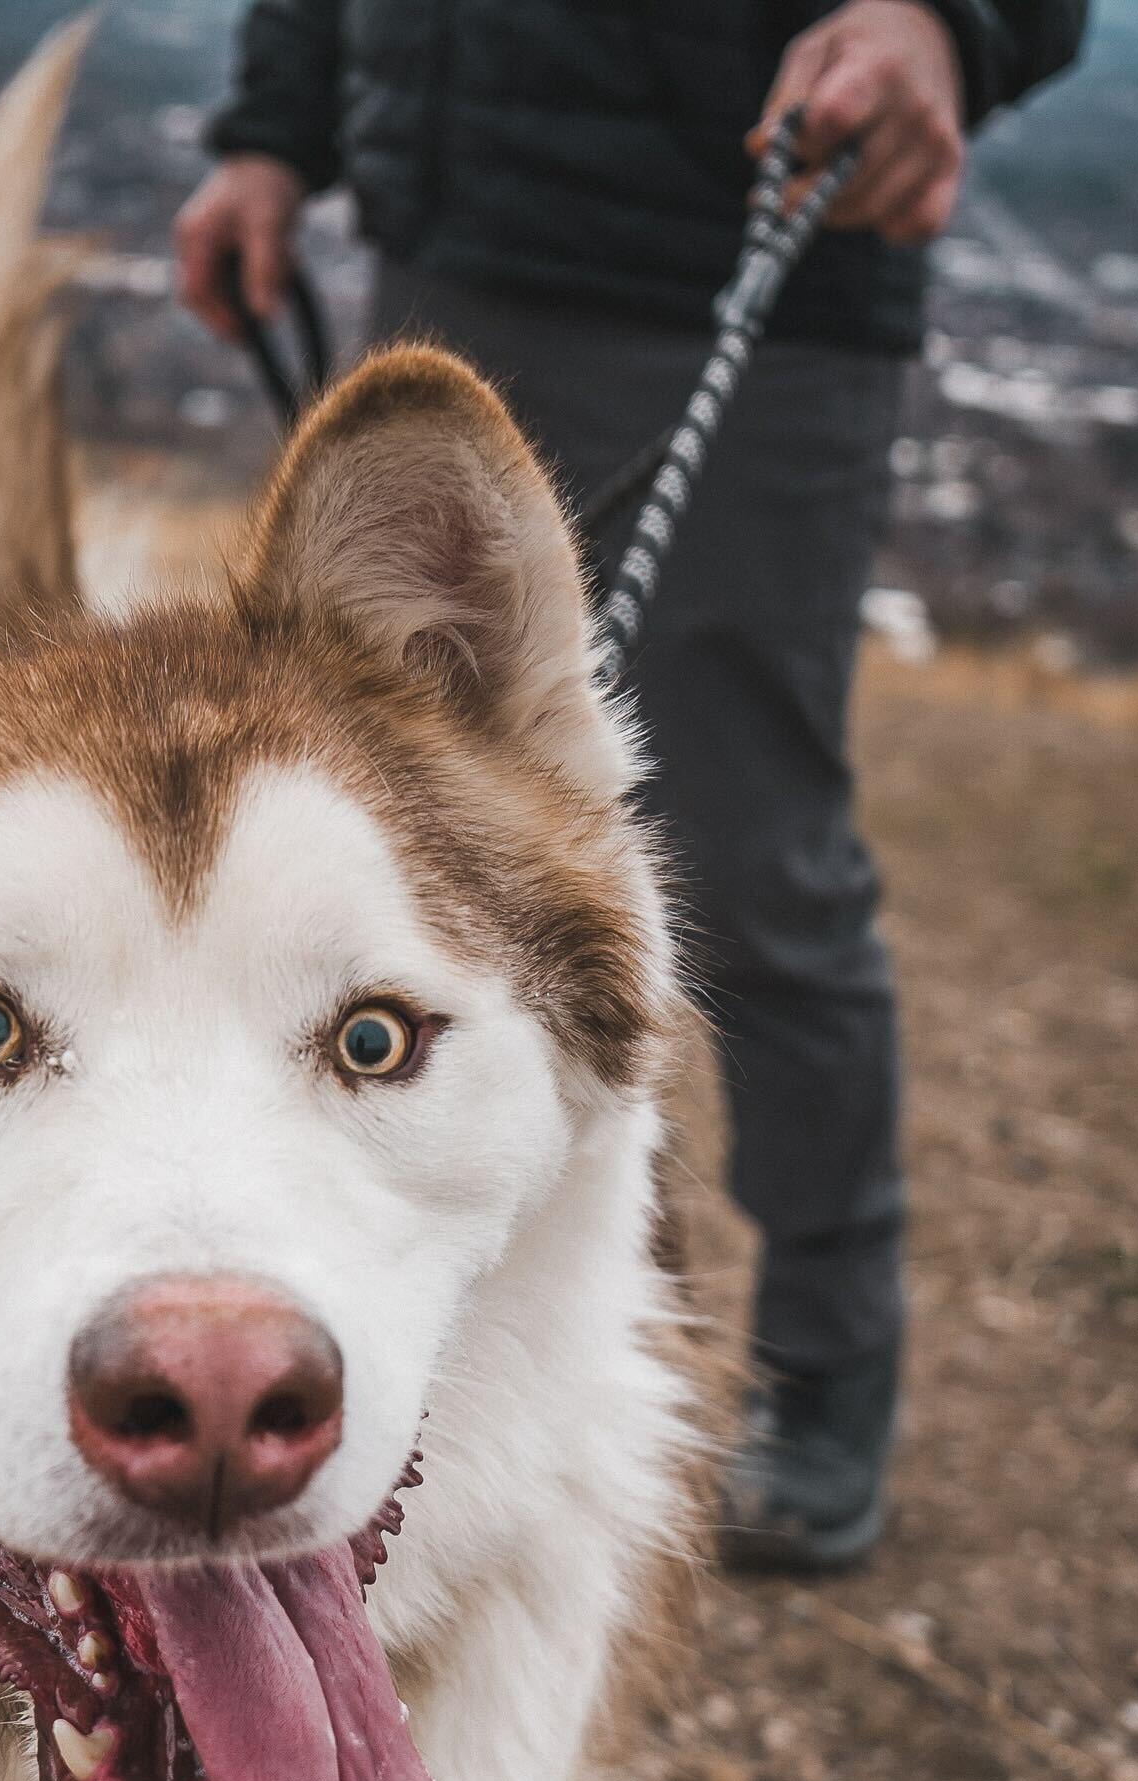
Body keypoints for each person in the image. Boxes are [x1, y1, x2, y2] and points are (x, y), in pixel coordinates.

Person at [174, 0, 1086, 1571]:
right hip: (457, 234)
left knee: (746, 857)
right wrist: (274, 130)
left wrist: (948, 21)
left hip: (750, 245)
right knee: (384, 900)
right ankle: (476, 1328)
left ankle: (823, 1355)